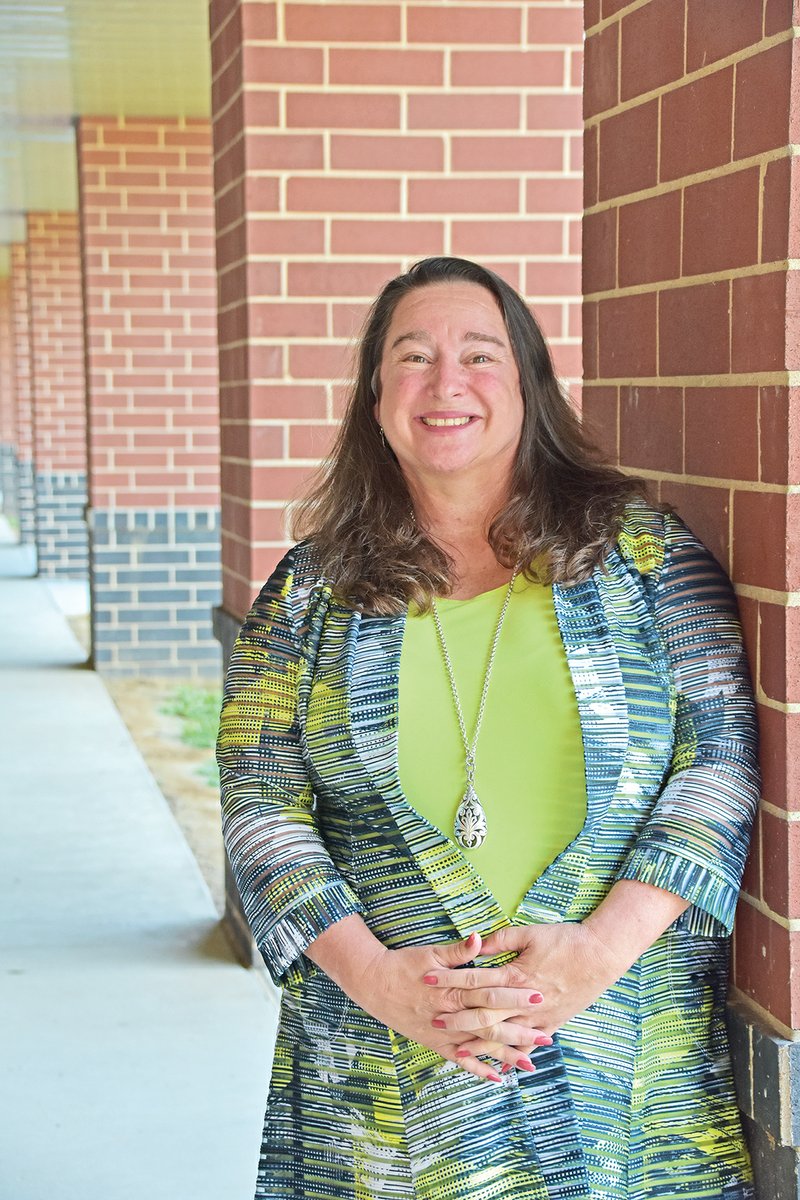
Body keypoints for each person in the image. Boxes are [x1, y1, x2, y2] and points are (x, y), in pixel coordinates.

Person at [217, 256, 759, 1200]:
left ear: (528, 386)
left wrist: (595, 954)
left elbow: (716, 761)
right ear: (376, 396)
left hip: (618, 1058)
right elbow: (259, 792)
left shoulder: (643, 558)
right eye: (413, 358)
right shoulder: (313, 591)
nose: (446, 384)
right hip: (383, 1083)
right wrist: (381, 979)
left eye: (480, 355)